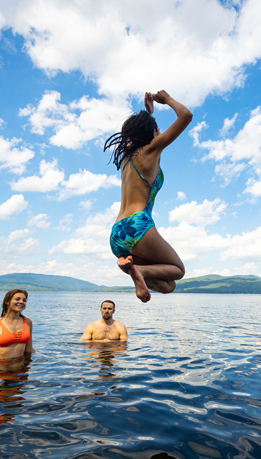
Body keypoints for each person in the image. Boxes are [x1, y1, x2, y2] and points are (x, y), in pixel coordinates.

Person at [104, 90, 192, 302]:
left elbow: (138, 133)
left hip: (117, 233)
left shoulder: (126, 157)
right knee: (178, 270)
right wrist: (168, 100)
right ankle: (138, 271)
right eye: (157, 129)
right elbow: (186, 116)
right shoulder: (151, 150)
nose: (160, 132)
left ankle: (133, 270)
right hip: (138, 225)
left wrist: (148, 113)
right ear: (152, 132)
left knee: (168, 286)